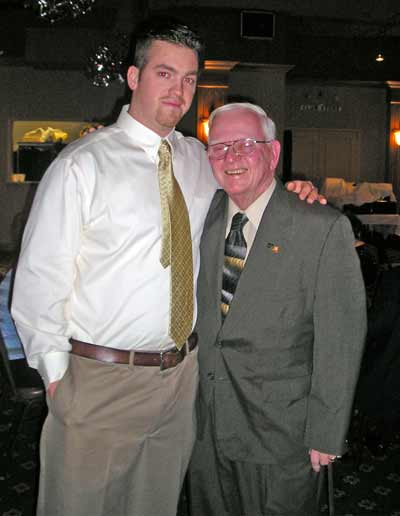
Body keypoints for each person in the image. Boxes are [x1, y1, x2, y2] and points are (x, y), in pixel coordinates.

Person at [11, 17, 323, 516]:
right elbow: (39, 280)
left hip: (182, 380)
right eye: (164, 73)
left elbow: (252, 194)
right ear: (133, 77)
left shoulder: (200, 159)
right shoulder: (83, 164)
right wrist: (58, 378)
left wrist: (294, 193)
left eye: (190, 78)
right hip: (100, 379)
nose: (179, 90)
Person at [189, 102, 367, 516]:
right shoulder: (202, 218)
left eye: (246, 144)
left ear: (272, 153)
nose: (231, 157)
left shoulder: (320, 228)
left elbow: (339, 340)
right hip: (205, 428)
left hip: (280, 435)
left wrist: (327, 432)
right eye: (219, 147)